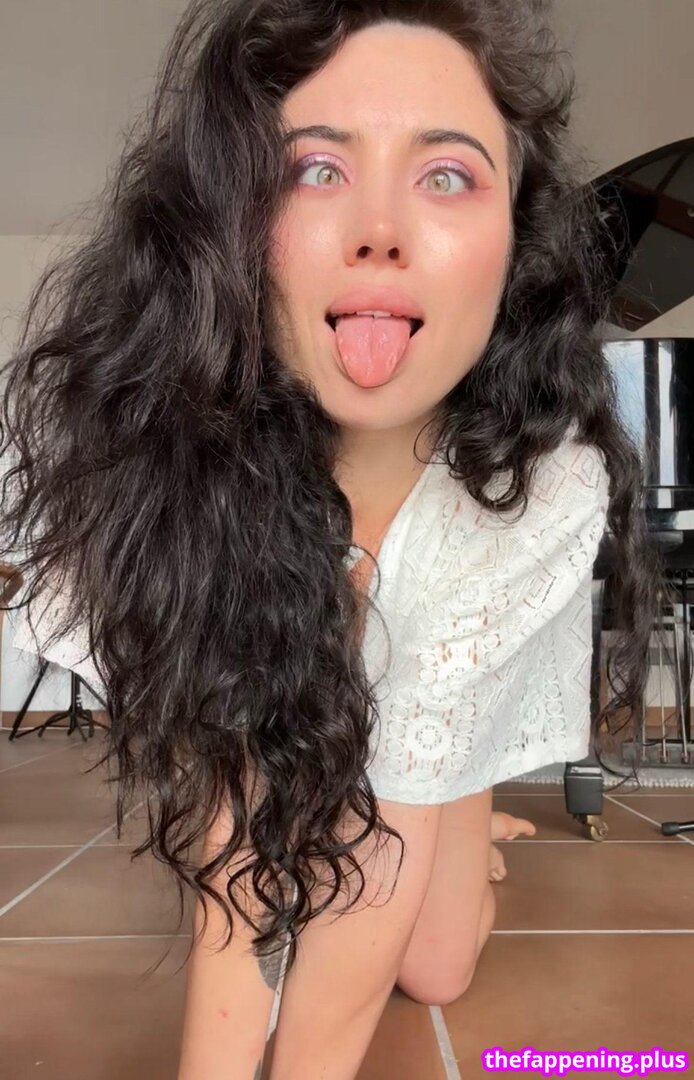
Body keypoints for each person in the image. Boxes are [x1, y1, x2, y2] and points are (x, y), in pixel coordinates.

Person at [0, 2, 665, 1078]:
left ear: (516, 243)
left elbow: (372, 870)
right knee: (292, 799)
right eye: (316, 169)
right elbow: (234, 855)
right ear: (228, 217)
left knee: (436, 965)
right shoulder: (172, 461)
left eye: (446, 174)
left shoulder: (540, 491)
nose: (380, 230)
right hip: (298, 672)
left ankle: (463, 788)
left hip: (431, 709)